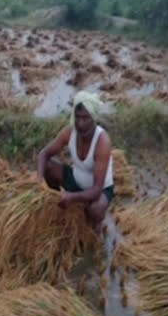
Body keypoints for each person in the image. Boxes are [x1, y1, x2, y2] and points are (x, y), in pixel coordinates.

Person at [36, 90, 114, 234]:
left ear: (93, 118)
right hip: (76, 179)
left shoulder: (102, 142)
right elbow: (44, 154)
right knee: (48, 166)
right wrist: (39, 181)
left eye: (85, 118)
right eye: (77, 117)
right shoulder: (69, 132)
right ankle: (59, 202)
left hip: (100, 190)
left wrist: (72, 197)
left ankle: (96, 225)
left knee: (95, 210)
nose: (80, 123)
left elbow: (97, 189)